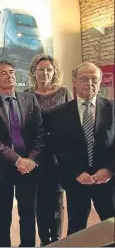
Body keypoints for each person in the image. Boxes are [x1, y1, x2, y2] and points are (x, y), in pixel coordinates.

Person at [0, 60, 45, 247]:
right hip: (3, 169)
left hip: (29, 168)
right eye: (3, 73)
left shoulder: (29, 99)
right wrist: (17, 160)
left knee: (28, 215)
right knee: (3, 217)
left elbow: (40, 132)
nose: (9, 76)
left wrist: (31, 160)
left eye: (11, 72)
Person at [51, 62, 114, 236]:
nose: (89, 83)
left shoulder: (112, 108)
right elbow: (58, 148)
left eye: (94, 79)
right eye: (84, 79)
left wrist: (109, 170)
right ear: (75, 82)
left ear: (100, 82)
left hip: (107, 182)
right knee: (77, 230)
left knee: (112, 228)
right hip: (77, 181)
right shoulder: (60, 112)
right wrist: (75, 173)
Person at [25, 54, 72, 245]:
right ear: (33, 72)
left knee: (57, 201)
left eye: (49, 69)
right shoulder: (27, 95)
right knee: (39, 201)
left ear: (54, 72)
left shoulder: (63, 92)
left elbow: (70, 123)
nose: (45, 73)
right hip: (35, 155)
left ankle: (57, 240)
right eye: (41, 69)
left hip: (58, 156)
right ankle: (45, 239)